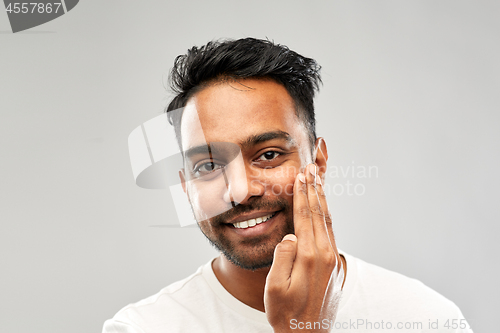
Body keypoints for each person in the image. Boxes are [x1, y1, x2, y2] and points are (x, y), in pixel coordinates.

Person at [103, 38, 472, 332]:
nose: (241, 190)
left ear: (319, 162)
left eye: (268, 155)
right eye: (210, 165)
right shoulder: (142, 328)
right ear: (186, 188)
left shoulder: (426, 319)